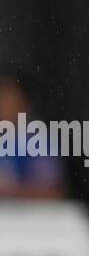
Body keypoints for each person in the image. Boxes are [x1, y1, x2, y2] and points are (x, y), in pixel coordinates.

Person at [0, 71, 65, 200]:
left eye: (9, 102)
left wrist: (12, 191)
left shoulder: (37, 141)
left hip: (27, 217)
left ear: (23, 105)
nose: (4, 108)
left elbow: (53, 190)